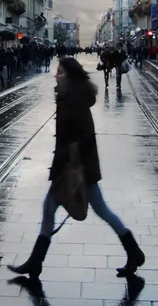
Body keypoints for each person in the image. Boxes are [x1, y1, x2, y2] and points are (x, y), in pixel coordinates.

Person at [8, 57, 145, 280]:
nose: (56, 75)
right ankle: (35, 262)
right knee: (51, 208)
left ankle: (134, 252)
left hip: (78, 168)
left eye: (60, 72)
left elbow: (87, 135)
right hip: (71, 165)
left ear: (70, 75)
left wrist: (68, 154)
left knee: (101, 211)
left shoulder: (75, 99)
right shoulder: (66, 97)